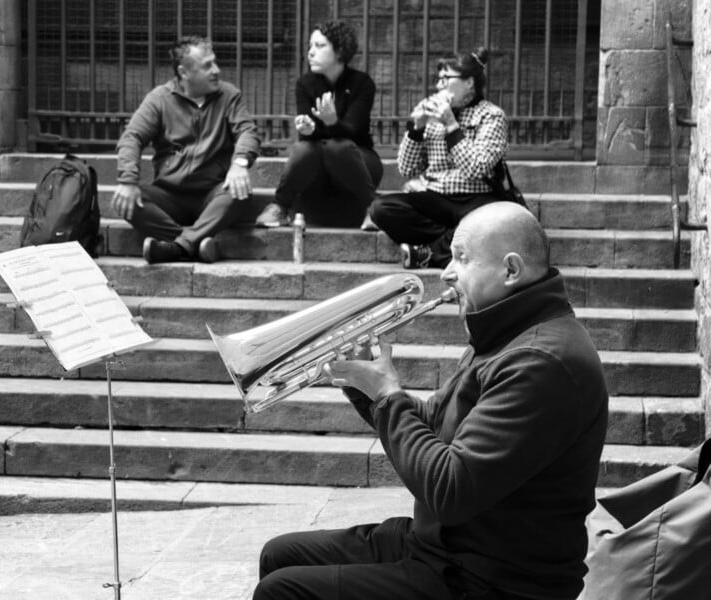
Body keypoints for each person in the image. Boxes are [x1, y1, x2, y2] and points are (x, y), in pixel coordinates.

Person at [254, 201, 609, 600]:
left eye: (461, 258)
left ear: (510, 270)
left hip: (493, 578)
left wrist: (388, 395)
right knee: (279, 555)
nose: (446, 272)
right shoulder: (505, 332)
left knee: (282, 592)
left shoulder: (541, 361)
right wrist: (362, 383)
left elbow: (450, 490)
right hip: (449, 547)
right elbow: (433, 424)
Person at [113, 36, 261, 264]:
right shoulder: (159, 99)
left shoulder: (229, 96)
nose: (216, 70)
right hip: (169, 196)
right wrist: (127, 180)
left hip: (211, 195)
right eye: (207, 66)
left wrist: (240, 163)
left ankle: (175, 248)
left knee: (238, 192)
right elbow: (132, 137)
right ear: (183, 72)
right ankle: (193, 244)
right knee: (126, 201)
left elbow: (247, 131)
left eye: (215, 62)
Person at [366, 47, 510, 269]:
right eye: (438, 79)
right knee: (381, 209)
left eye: (446, 79)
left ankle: (428, 253)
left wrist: (451, 124)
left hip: (476, 197)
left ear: (469, 82)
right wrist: (417, 129)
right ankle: (455, 243)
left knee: (491, 225)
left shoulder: (491, 116)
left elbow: (476, 168)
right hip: (436, 197)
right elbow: (406, 168)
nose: (438, 86)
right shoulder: (432, 116)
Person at [255, 20, 383, 229]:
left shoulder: (362, 83)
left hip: (358, 163)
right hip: (317, 172)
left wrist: (332, 123)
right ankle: (279, 207)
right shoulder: (305, 84)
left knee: (337, 146)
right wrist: (309, 129)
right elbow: (309, 137)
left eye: (319, 46)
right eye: (310, 46)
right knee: (304, 148)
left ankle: (374, 209)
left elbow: (353, 130)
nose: (311, 52)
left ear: (340, 51)